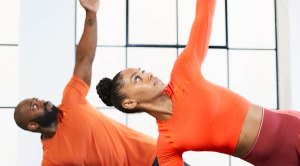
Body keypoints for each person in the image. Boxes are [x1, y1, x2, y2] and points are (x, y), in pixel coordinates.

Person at [96, 0, 300, 165]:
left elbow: (204, 14)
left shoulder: (183, 73)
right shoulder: (167, 145)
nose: (148, 74)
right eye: (137, 79)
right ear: (129, 102)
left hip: (293, 130)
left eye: (142, 71)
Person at [13, 0, 161, 165]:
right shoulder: (52, 160)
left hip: (153, 157)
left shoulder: (71, 101)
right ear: (33, 125)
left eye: (36, 100)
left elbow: (84, 59)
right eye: (35, 106)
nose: (41, 102)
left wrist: (91, 13)